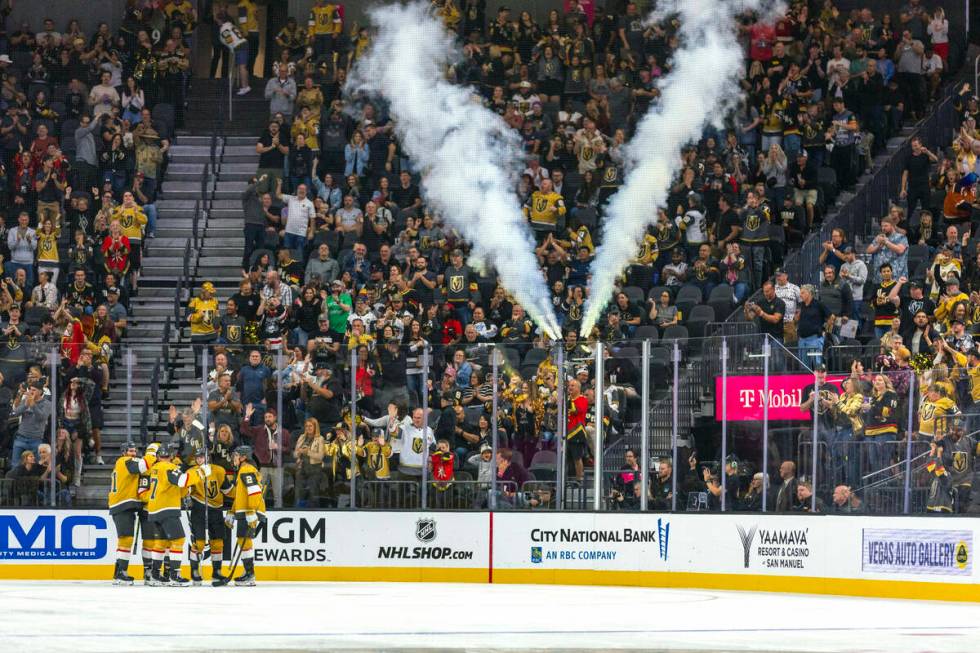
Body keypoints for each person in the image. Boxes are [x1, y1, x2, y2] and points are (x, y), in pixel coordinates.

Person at [146, 444, 192, 586]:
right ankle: (174, 575)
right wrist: (201, 473)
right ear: (170, 457)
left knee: (160, 543)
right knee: (178, 540)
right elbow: (182, 481)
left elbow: (176, 486)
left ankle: (154, 575)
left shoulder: (154, 468)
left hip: (153, 508)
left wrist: (184, 489)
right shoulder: (169, 467)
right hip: (167, 508)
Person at [220, 444, 267, 586]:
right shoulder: (242, 470)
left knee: (244, 541)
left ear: (243, 457)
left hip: (250, 511)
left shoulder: (247, 470)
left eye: (236, 456)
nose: (233, 458)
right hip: (246, 511)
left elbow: (254, 492)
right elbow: (240, 496)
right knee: (242, 540)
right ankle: (248, 573)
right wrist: (233, 511)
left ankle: (249, 574)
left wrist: (252, 511)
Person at [187, 448, 231, 586]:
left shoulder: (218, 470)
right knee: (199, 542)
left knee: (217, 542)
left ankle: (216, 572)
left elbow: (227, 490)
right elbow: (185, 489)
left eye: (202, 457)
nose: (200, 460)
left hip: (216, 509)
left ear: (208, 458)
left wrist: (242, 494)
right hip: (199, 508)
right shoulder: (191, 472)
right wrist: (186, 497)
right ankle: (194, 571)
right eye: (198, 457)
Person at [107, 441, 148, 585]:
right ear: (124, 452)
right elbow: (141, 466)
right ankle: (121, 573)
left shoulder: (123, 462)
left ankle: (118, 573)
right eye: (130, 451)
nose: (133, 453)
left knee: (125, 540)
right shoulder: (124, 461)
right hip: (122, 504)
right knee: (126, 539)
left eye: (134, 451)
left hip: (122, 504)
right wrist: (151, 454)